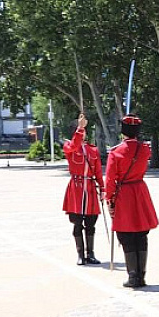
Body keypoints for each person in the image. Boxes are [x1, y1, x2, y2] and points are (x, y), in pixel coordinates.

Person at [104, 115, 159, 288]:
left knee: (126, 234)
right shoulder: (144, 149)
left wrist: (109, 199)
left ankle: (133, 276)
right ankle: (141, 275)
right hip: (140, 191)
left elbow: (110, 179)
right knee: (141, 234)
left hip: (124, 193)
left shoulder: (116, 152)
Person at [62, 113, 104, 265]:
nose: (84, 133)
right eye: (81, 130)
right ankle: (80, 254)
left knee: (91, 223)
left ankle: (90, 253)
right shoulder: (69, 147)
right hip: (77, 188)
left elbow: (98, 170)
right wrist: (80, 128)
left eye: (84, 130)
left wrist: (102, 188)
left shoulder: (93, 150)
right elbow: (73, 145)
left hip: (90, 187)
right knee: (77, 222)